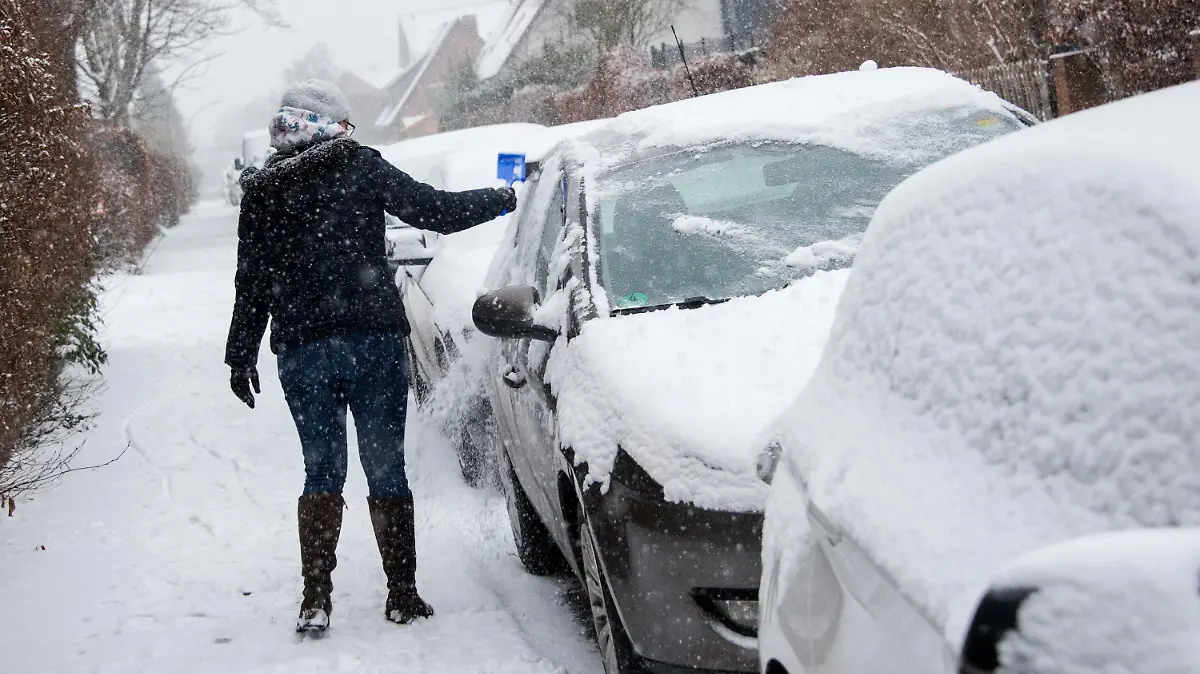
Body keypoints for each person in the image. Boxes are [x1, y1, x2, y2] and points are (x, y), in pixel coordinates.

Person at [224, 80, 517, 634]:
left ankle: (316, 598)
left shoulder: (263, 190)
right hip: (372, 347)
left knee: (321, 470)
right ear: (333, 124)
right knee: (385, 466)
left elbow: (252, 281)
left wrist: (241, 355)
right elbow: (435, 210)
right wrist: (503, 197)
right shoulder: (359, 166)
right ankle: (402, 595)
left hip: (303, 353)